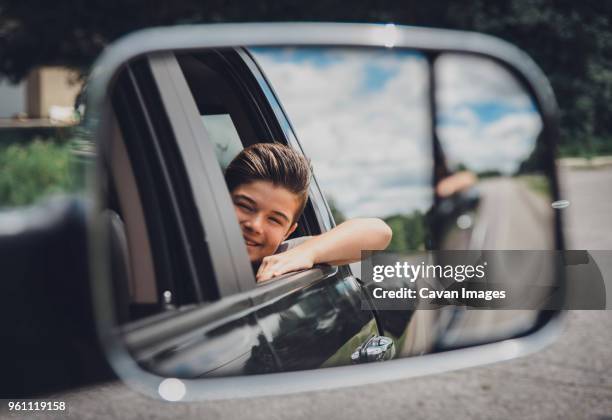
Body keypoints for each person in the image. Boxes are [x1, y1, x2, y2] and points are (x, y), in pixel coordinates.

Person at [224, 142, 392, 282]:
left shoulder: (285, 255)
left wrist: (307, 253)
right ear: (220, 199)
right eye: (245, 206)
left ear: (288, 232)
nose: (255, 225)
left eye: (274, 220)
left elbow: (380, 231)